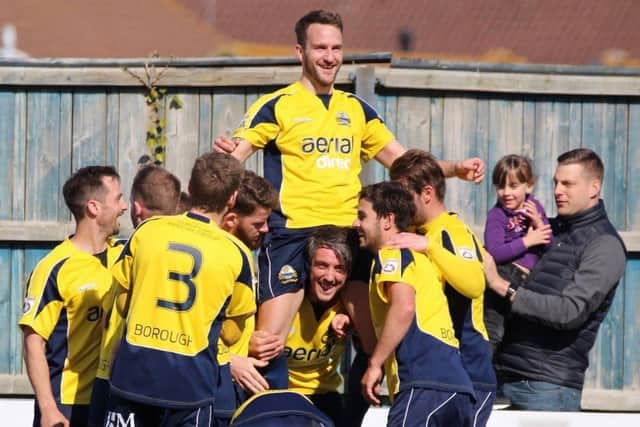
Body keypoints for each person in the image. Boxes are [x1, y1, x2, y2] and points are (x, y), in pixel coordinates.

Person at [213, 8, 485, 389]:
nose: (329, 56)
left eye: (336, 48)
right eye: (320, 47)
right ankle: (265, 413)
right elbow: (232, 161)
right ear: (300, 52)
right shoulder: (277, 105)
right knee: (266, 344)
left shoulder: (356, 109)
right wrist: (225, 155)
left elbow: (404, 162)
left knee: (376, 345)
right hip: (293, 234)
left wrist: (454, 168)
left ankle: (359, 412)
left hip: (349, 234)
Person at [105, 153, 254, 426]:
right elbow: (233, 333)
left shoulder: (147, 231)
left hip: (134, 376)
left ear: (190, 187)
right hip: (191, 386)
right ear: (232, 199)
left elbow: (122, 303)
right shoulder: (237, 254)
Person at [484, 148, 627, 411]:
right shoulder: (545, 230)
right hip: (502, 377)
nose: (557, 191)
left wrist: (502, 286)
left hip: (545, 388)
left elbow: (568, 311)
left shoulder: (604, 245)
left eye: (568, 184)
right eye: (555, 183)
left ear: (594, 187)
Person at [388, 149, 496, 426]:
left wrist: (431, 248)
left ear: (427, 193)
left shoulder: (452, 232)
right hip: (442, 375)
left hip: (470, 372)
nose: (397, 204)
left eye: (403, 195)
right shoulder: (416, 235)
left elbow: (475, 283)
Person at [355, 182, 475, 427]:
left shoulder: (393, 253)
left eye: (362, 216)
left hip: (424, 385)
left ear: (387, 220)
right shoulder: (422, 258)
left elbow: (404, 307)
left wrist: (375, 364)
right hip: (458, 388)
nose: (355, 224)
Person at [19, 166, 128, 427]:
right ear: (94, 207)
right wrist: (48, 408)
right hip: (68, 404)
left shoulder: (125, 257)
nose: (124, 206)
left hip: (114, 398)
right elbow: (33, 343)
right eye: (118, 198)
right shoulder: (54, 267)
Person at [88, 165, 183, 427]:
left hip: (123, 372)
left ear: (137, 208)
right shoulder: (195, 247)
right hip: (179, 376)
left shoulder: (139, 242)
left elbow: (122, 304)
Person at [216, 171, 280, 423]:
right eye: (257, 223)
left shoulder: (243, 254)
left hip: (237, 385)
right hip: (212, 384)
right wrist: (230, 360)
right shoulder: (218, 259)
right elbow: (188, 326)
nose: (265, 229)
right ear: (231, 220)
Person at [483, 154, 552, 351]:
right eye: (500, 186)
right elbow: (495, 252)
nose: (506, 192)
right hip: (504, 274)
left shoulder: (535, 208)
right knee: (494, 332)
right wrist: (527, 241)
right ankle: (485, 378)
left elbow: (550, 246)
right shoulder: (497, 215)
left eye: (513, 186)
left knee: (520, 336)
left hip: (528, 281)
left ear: (528, 186)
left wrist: (540, 223)